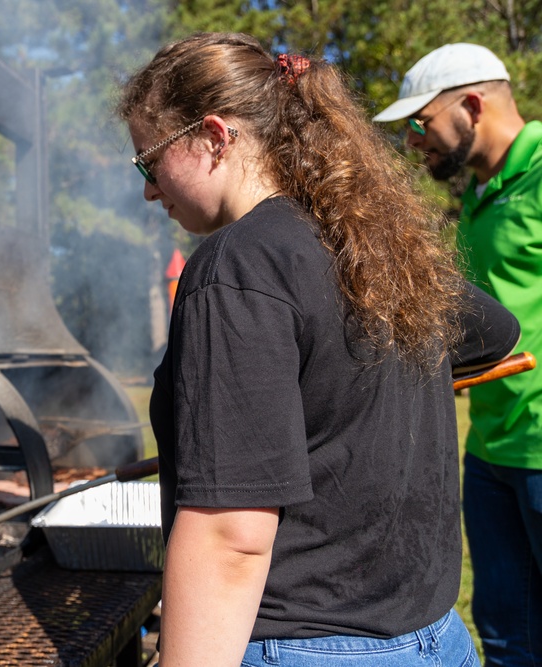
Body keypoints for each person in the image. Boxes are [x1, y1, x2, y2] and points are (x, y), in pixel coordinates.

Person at [118, 32, 522, 666]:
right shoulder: (371, 243)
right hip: (437, 640)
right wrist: (367, 386)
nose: (147, 188)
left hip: (306, 645)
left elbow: (231, 540)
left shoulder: (236, 267)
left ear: (216, 135)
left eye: (149, 161)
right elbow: (495, 332)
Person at [374, 43, 542, 667]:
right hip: (490, 450)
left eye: (421, 123)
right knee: (505, 636)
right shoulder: (480, 191)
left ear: (471, 106)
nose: (415, 143)